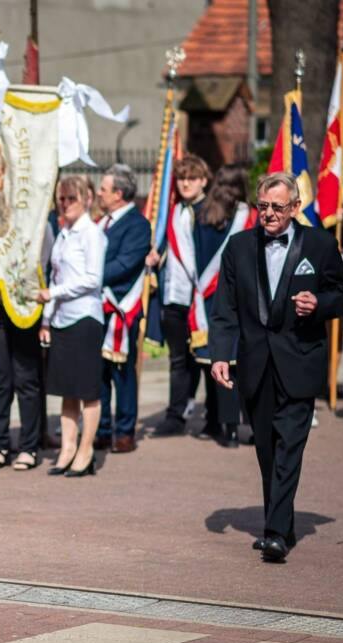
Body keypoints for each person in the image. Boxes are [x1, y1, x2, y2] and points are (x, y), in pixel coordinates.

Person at [210, 172, 343, 562]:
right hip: (255, 365)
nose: (269, 214)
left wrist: (318, 305)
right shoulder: (238, 247)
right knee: (267, 450)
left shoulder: (320, 245)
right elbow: (225, 308)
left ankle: (274, 533)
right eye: (263, 206)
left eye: (277, 207)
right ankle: (282, 523)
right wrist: (221, 354)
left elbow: (342, 295)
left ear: (295, 208)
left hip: (300, 360)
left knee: (290, 444)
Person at [38, 176, 107, 477]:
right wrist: (46, 318)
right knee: (67, 389)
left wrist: (53, 294)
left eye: (71, 199)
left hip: (85, 317)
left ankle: (86, 449)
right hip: (63, 318)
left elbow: (93, 279)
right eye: (61, 200)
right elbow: (56, 276)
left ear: (86, 199)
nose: (64, 204)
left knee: (87, 389)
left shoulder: (91, 233)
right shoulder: (64, 234)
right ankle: (67, 448)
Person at [146, 155, 209, 437]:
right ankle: (176, 414)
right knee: (178, 358)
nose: (185, 183)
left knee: (205, 358)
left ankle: (215, 414)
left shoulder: (209, 211)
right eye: (182, 178)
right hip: (174, 295)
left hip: (200, 296)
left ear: (203, 181)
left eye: (192, 178)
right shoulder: (170, 212)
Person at [191, 166, 252, 448]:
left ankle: (222, 426)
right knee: (240, 366)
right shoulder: (248, 216)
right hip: (239, 297)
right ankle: (249, 426)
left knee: (216, 363)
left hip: (207, 296)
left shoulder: (203, 214)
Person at [94, 164, 151, 454]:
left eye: (103, 189)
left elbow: (126, 264)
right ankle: (102, 429)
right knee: (99, 372)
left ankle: (125, 430)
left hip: (121, 308)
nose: (99, 193)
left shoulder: (138, 225)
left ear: (118, 193)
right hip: (96, 307)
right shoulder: (100, 222)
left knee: (122, 372)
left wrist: (88, 276)